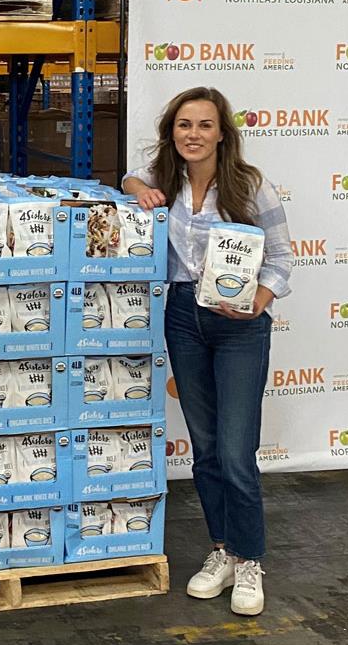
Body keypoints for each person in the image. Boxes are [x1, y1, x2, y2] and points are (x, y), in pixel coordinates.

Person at [122, 86, 292, 616]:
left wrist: (257, 303)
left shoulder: (250, 186)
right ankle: (220, 549)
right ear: (171, 133)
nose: (193, 134)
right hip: (183, 316)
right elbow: (130, 180)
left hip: (240, 327)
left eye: (204, 125)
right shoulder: (165, 180)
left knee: (238, 451)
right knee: (206, 446)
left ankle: (249, 561)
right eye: (183, 125)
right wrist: (135, 187)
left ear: (223, 133)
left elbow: (283, 258)